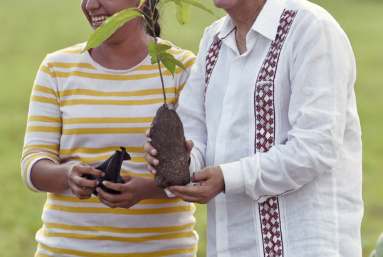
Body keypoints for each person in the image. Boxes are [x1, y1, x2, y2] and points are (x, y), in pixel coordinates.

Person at [144, 0, 363, 256]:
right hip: (231, 244)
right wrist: (177, 162)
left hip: (304, 243)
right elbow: (196, 133)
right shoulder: (213, 40)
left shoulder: (310, 28)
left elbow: (316, 147)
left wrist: (228, 178)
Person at [21, 0, 198, 256]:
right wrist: (68, 175)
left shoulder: (181, 69)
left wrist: (146, 190)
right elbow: (32, 164)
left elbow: (201, 169)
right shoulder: (56, 69)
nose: (91, 5)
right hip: (67, 249)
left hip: (161, 250)